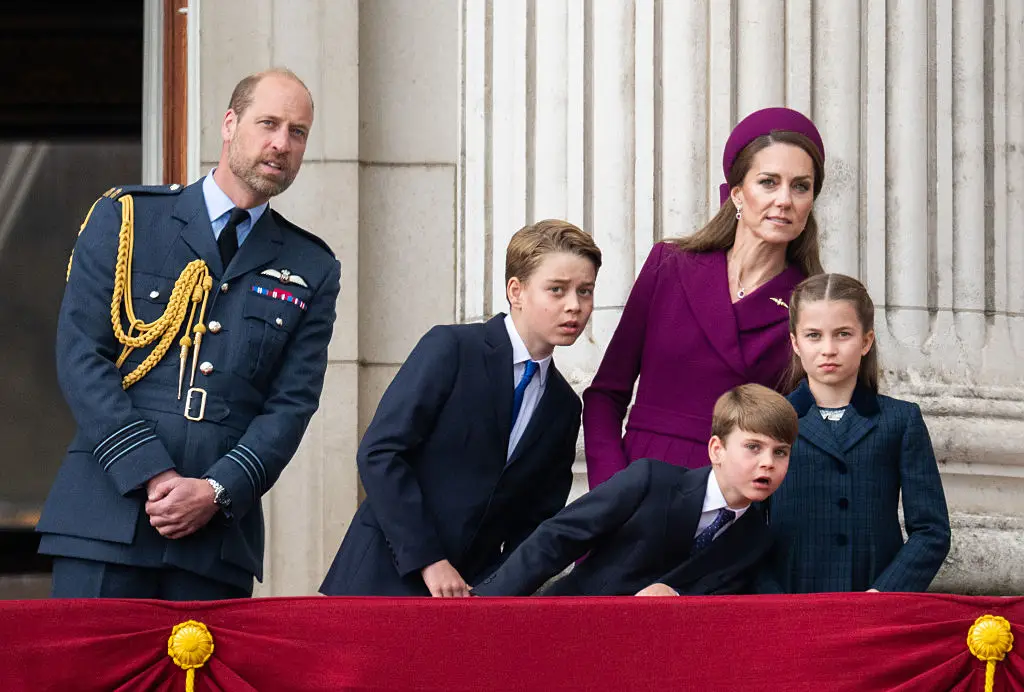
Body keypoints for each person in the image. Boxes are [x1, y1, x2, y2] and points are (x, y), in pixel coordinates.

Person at [37, 68, 341, 600]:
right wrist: (152, 474)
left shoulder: (311, 265)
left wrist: (216, 490)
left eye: (297, 132)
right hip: (104, 519)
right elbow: (82, 357)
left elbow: (291, 405)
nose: (281, 144)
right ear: (229, 123)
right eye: (268, 123)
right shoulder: (127, 218)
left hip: (215, 540)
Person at [320, 220, 601, 597]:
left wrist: (494, 589)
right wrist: (429, 560)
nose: (574, 306)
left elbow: (536, 523)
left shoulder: (564, 405)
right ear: (515, 291)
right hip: (380, 576)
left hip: (467, 599)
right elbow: (380, 453)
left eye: (585, 291)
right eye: (557, 290)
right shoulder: (452, 348)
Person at [583, 107, 826, 489]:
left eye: (800, 186)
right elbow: (605, 395)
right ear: (737, 194)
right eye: (768, 182)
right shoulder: (670, 266)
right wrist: (610, 494)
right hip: (637, 489)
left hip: (733, 507)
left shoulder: (811, 306)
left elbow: (811, 429)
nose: (784, 200)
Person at [471, 384, 795, 597]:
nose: (767, 462)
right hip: (567, 631)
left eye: (780, 452)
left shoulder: (756, 539)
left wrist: (677, 599)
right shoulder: (651, 480)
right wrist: (483, 607)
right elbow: (558, 538)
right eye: (753, 447)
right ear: (716, 449)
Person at [764, 273, 950, 593]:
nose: (828, 349)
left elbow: (931, 531)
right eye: (813, 335)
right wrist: (773, 601)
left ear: (866, 341)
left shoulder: (900, 421)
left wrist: (883, 595)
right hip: (788, 606)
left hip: (874, 604)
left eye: (843, 334)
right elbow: (743, 528)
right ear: (795, 342)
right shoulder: (768, 421)